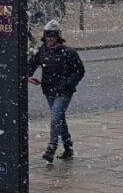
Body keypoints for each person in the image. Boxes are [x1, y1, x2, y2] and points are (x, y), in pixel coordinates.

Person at [27, 20, 85, 165]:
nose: (50, 39)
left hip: (64, 92)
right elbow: (31, 65)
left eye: (52, 36)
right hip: (48, 90)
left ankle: (51, 148)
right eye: (47, 36)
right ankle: (68, 146)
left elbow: (79, 71)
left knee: (55, 117)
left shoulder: (68, 53)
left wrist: (67, 84)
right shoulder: (42, 52)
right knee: (59, 118)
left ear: (58, 36)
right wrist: (28, 76)